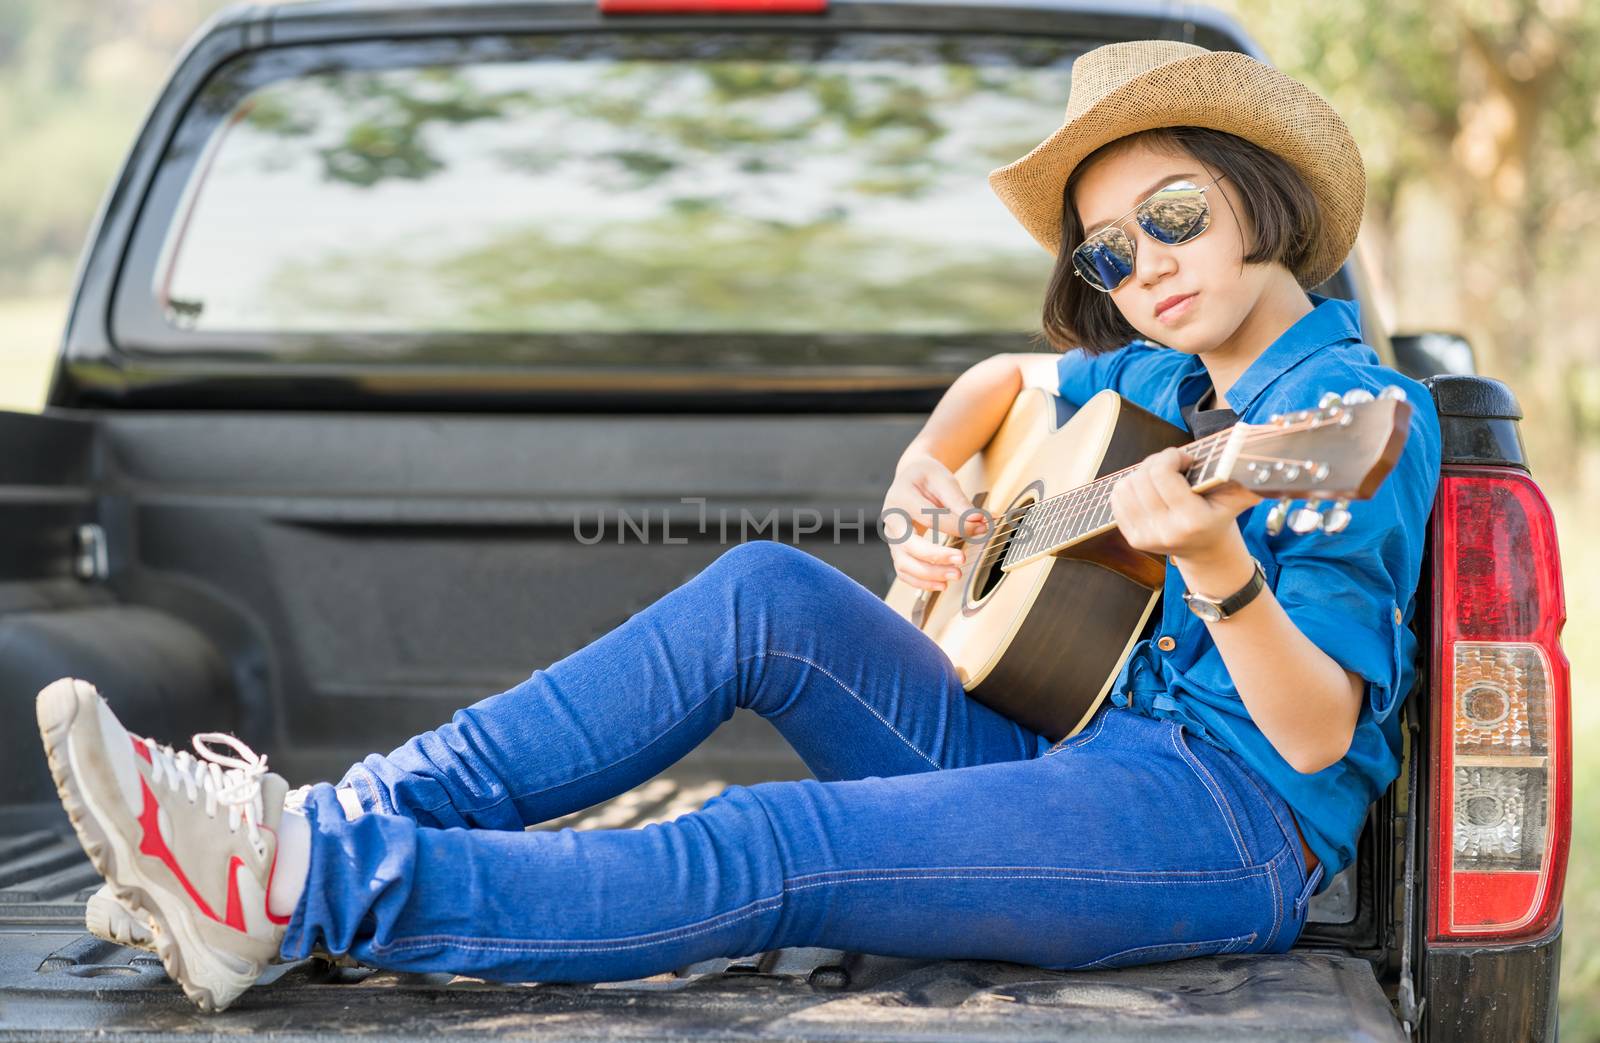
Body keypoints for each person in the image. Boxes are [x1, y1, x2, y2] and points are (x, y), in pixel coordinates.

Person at [33, 39, 1441, 1013]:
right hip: (1064, 741)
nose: (1147, 267)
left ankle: (295, 885)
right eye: (1109, 252)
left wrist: (1213, 561)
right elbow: (1012, 381)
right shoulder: (1166, 378)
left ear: (1264, 195)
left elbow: (1316, 737)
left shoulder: (1343, 413)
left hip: (1214, 820)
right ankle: (339, 809)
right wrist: (931, 467)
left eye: (1176, 213)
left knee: (779, 840)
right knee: (767, 589)